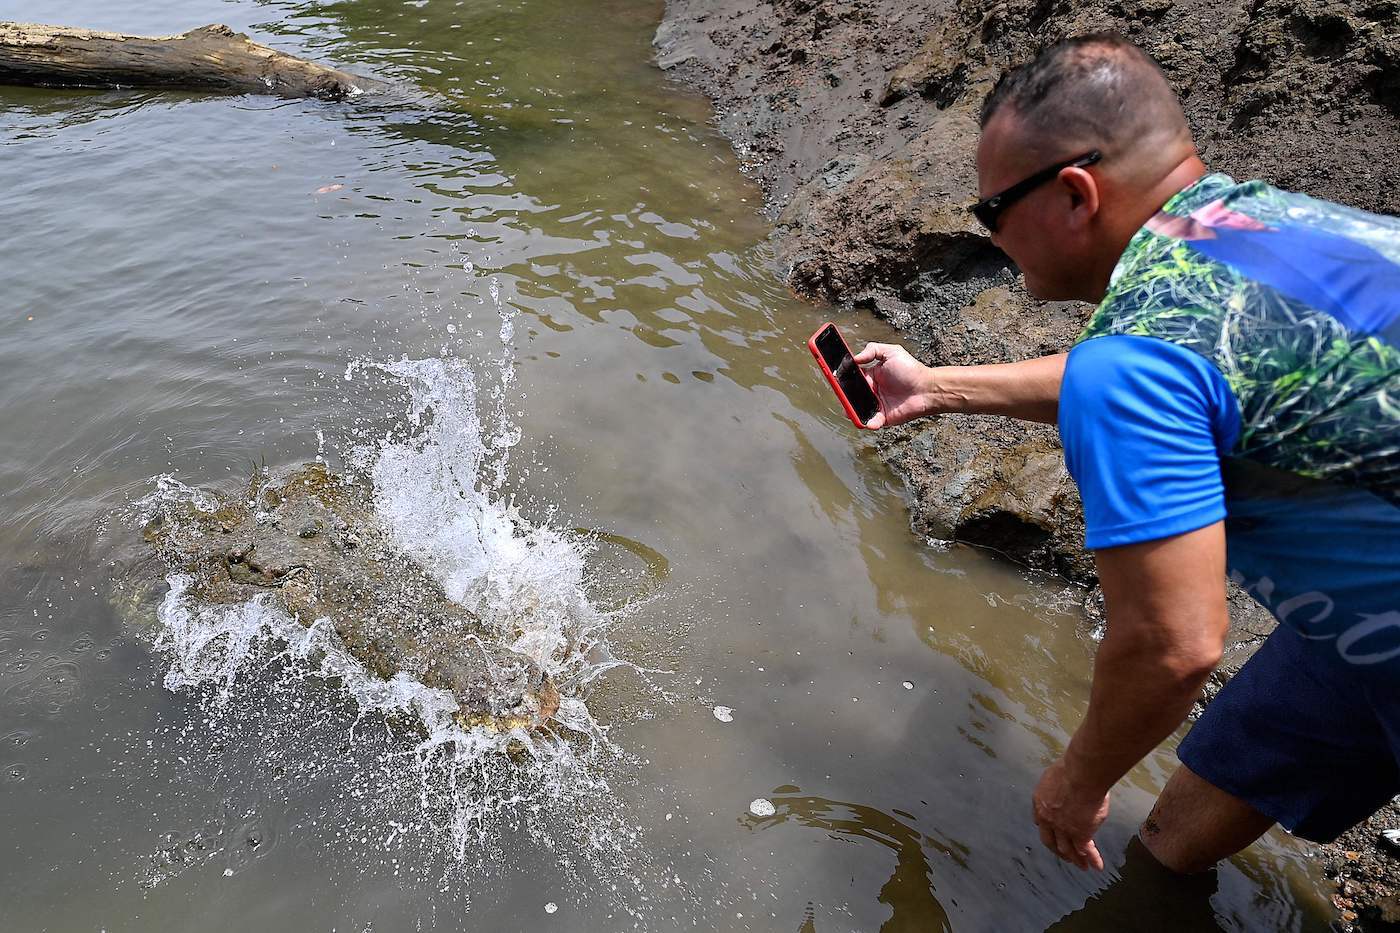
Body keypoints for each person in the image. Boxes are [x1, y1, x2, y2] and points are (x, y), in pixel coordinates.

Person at [854, 33, 1400, 874]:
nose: (991, 236)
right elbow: (1184, 374)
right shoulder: (1259, 217)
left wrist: (1077, 781)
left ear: (1075, 194)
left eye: (992, 212)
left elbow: (1171, 645)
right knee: (1196, 812)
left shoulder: (1133, 369)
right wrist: (937, 386)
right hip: (1362, 600)